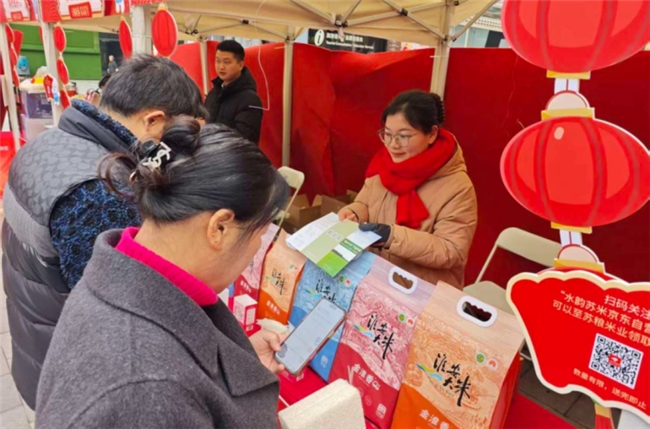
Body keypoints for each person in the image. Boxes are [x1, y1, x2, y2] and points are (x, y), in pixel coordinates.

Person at [37, 119, 289, 428]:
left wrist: (240, 363)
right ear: (219, 228)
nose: (257, 247)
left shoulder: (122, 278)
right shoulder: (145, 394)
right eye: (259, 234)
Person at [1, 54, 207, 409]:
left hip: (37, 345)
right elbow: (118, 315)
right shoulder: (101, 190)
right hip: (77, 382)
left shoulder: (47, 143)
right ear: (153, 120)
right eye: (172, 135)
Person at [339, 90, 477, 289]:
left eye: (403, 136)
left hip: (423, 290)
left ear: (432, 134)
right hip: (376, 277)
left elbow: (451, 250)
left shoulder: (458, 187)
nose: (393, 145)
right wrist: (354, 212)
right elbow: (365, 203)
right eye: (387, 134)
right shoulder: (383, 164)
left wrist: (391, 236)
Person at [205, 40, 263, 144]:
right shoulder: (213, 93)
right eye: (218, 61)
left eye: (227, 62)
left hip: (234, 153)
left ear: (240, 65)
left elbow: (245, 139)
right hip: (209, 151)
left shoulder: (250, 100)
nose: (221, 67)